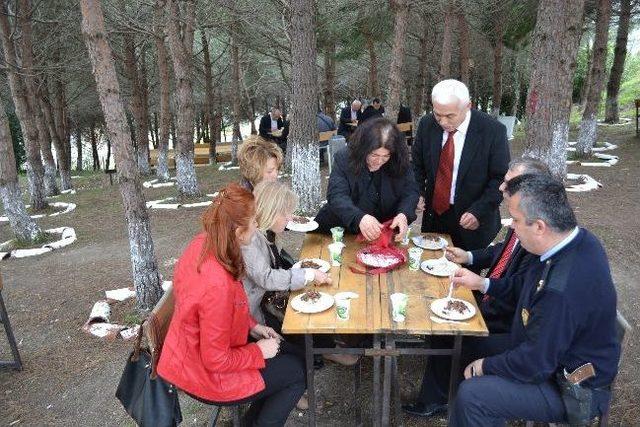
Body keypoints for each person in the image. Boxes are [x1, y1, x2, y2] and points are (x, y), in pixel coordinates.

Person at [449, 174, 620, 425]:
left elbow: (535, 364)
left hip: (570, 385)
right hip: (547, 353)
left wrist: (485, 366)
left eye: (516, 220)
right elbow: (535, 327)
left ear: (540, 226)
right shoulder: (576, 240)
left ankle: (476, 411)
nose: (511, 227)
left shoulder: (560, 289)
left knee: (474, 396)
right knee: (468, 345)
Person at [402, 158, 551, 419]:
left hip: (508, 320)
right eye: (504, 180)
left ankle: (441, 399)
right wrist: (468, 256)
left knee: (447, 330)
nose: (502, 187)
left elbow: (522, 287)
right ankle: (440, 388)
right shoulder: (523, 218)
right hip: (493, 301)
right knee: (438, 303)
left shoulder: (541, 233)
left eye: (508, 182)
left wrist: (482, 283)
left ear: (531, 190)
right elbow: (501, 252)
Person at [158, 184, 306, 426]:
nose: (258, 226)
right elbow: (215, 360)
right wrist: (258, 351)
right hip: (204, 376)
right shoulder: (217, 283)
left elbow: (227, 308)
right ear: (238, 231)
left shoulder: (205, 242)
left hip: (190, 357)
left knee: (293, 358)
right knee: (297, 372)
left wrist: (254, 326)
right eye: (254, 223)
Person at [241, 180, 358, 367]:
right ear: (271, 211)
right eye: (285, 213)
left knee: (310, 297)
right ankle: (317, 356)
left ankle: (325, 348)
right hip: (254, 313)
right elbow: (266, 278)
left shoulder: (266, 232)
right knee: (303, 314)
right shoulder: (251, 239)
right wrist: (307, 274)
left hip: (267, 300)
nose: (290, 218)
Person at [412, 79, 510, 251]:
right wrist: (417, 192)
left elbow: (500, 178)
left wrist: (479, 211)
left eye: (450, 116)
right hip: (435, 216)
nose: (442, 122)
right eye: (438, 114)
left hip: (472, 220)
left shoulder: (492, 131)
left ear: (468, 106)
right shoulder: (427, 125)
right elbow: (416, 165)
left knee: (467, 272)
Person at [315, 117, 419, 241]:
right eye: (374, 154)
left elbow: (410, 192)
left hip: (383, 232)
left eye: (386, 156)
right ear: (363, 148)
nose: (379, 161)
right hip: (343, 230)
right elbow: (337, 196)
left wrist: (404, 214)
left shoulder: (398, 160)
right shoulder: (345, 157)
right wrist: (359, 217)